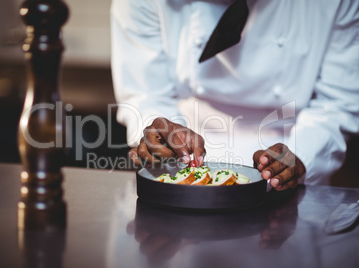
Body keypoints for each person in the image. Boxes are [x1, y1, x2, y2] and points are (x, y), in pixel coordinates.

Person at [110, 0, 359, 190]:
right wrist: (160, 132)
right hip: (182, 168)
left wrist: (303, 153)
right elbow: (145, 94)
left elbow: (337, 103)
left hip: (288, 160)